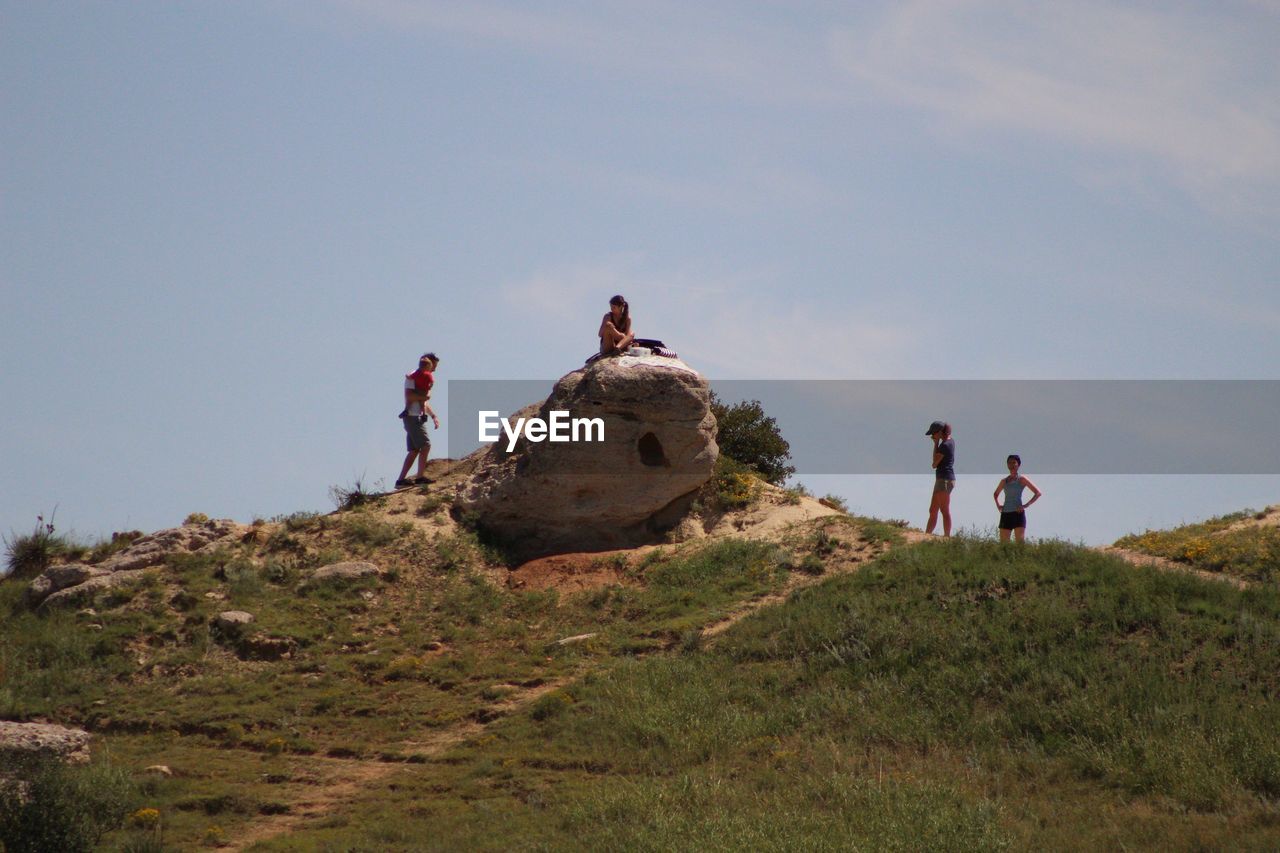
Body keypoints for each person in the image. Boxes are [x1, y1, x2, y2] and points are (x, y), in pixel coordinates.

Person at [396, 353, 440, 488]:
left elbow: (423, 399)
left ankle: (401, 481)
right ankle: (420, 477)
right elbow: (410, 396)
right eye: (434, 366)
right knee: (425, 445)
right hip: (412, 416)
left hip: (414, 415)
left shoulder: (422, 377)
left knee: (414, 450)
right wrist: (425, 397)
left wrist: (433, 416)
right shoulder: (413, 375)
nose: (434, 369)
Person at [993, 454, 1041, 543]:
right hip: (1006, 514)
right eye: (1009, 463)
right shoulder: (1004, 481)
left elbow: (1038, 493)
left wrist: (1025, 505)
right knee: (1004, 545)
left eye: (1014, 462)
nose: (1011, 465)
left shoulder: (1021, 479)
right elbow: (995, 494)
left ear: (1018, 464)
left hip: (1018, 513)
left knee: (1019, 544)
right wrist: (998, 505)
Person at [926, 420, 955, 536]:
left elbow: (934, 464)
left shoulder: (944, 445)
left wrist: (936, 443)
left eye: (933, 433)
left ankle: (947, 536)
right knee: (933, 510)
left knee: (944, 510)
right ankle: (927, 535)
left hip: (945, 479)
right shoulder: (950, 441)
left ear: (939, 432)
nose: (932, 436)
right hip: (943, 479)